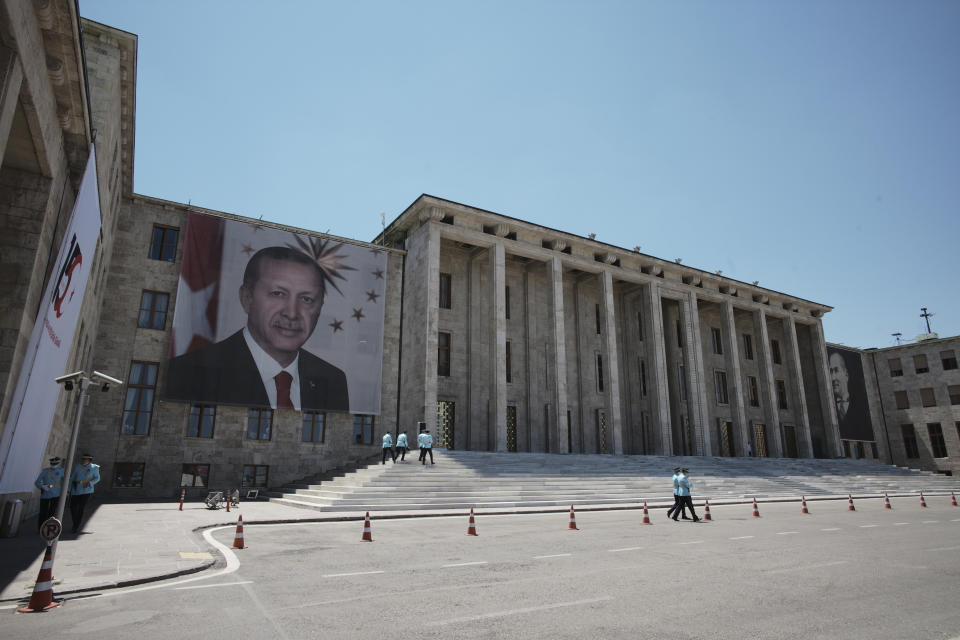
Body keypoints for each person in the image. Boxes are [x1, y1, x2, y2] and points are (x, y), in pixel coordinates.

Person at [165, 246, 349, 412]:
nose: (292, 313)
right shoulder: (188, 372)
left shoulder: (333, 380)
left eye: (306, 299)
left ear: (319, 308)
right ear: (247, 298)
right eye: (278, 294)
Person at [69, 453, 100, 533]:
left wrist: (90, 483)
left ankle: (76, 525)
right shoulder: (78, 467)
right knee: (73, 507)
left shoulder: (94, 468)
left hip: (87, 490)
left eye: (85, 459)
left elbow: (97, 478)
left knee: (81, 508)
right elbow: (72, 478)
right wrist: (68, 490)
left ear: (89, 460)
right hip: (76, 489)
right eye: (82, 459)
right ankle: (75, 521)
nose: (83, 461)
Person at [34, 456, 64, 531]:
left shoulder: (61, 471)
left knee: (52, 512)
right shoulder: (45, 471)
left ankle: (49, 527)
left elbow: (66, 481)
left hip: (56, 494)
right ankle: (40, 528)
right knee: (43, 512)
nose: (53, 465)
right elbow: (37, 482)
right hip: (46, 494)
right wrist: (43, 486)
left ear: (58, 463)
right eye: (52, 463)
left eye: (55, 463)